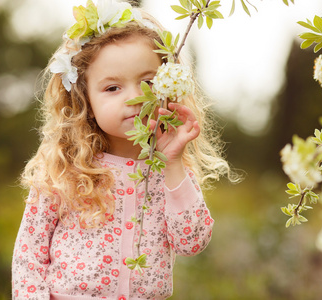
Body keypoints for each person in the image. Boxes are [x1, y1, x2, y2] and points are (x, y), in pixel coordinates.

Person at [12, 1, 236, 299]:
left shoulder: (170, 172)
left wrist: (173, 164)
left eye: (148, 82)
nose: (134, 97)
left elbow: (191, 242)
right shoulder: (65, 169)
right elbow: (29, 257)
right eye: (112, 88)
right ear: (85, 101)